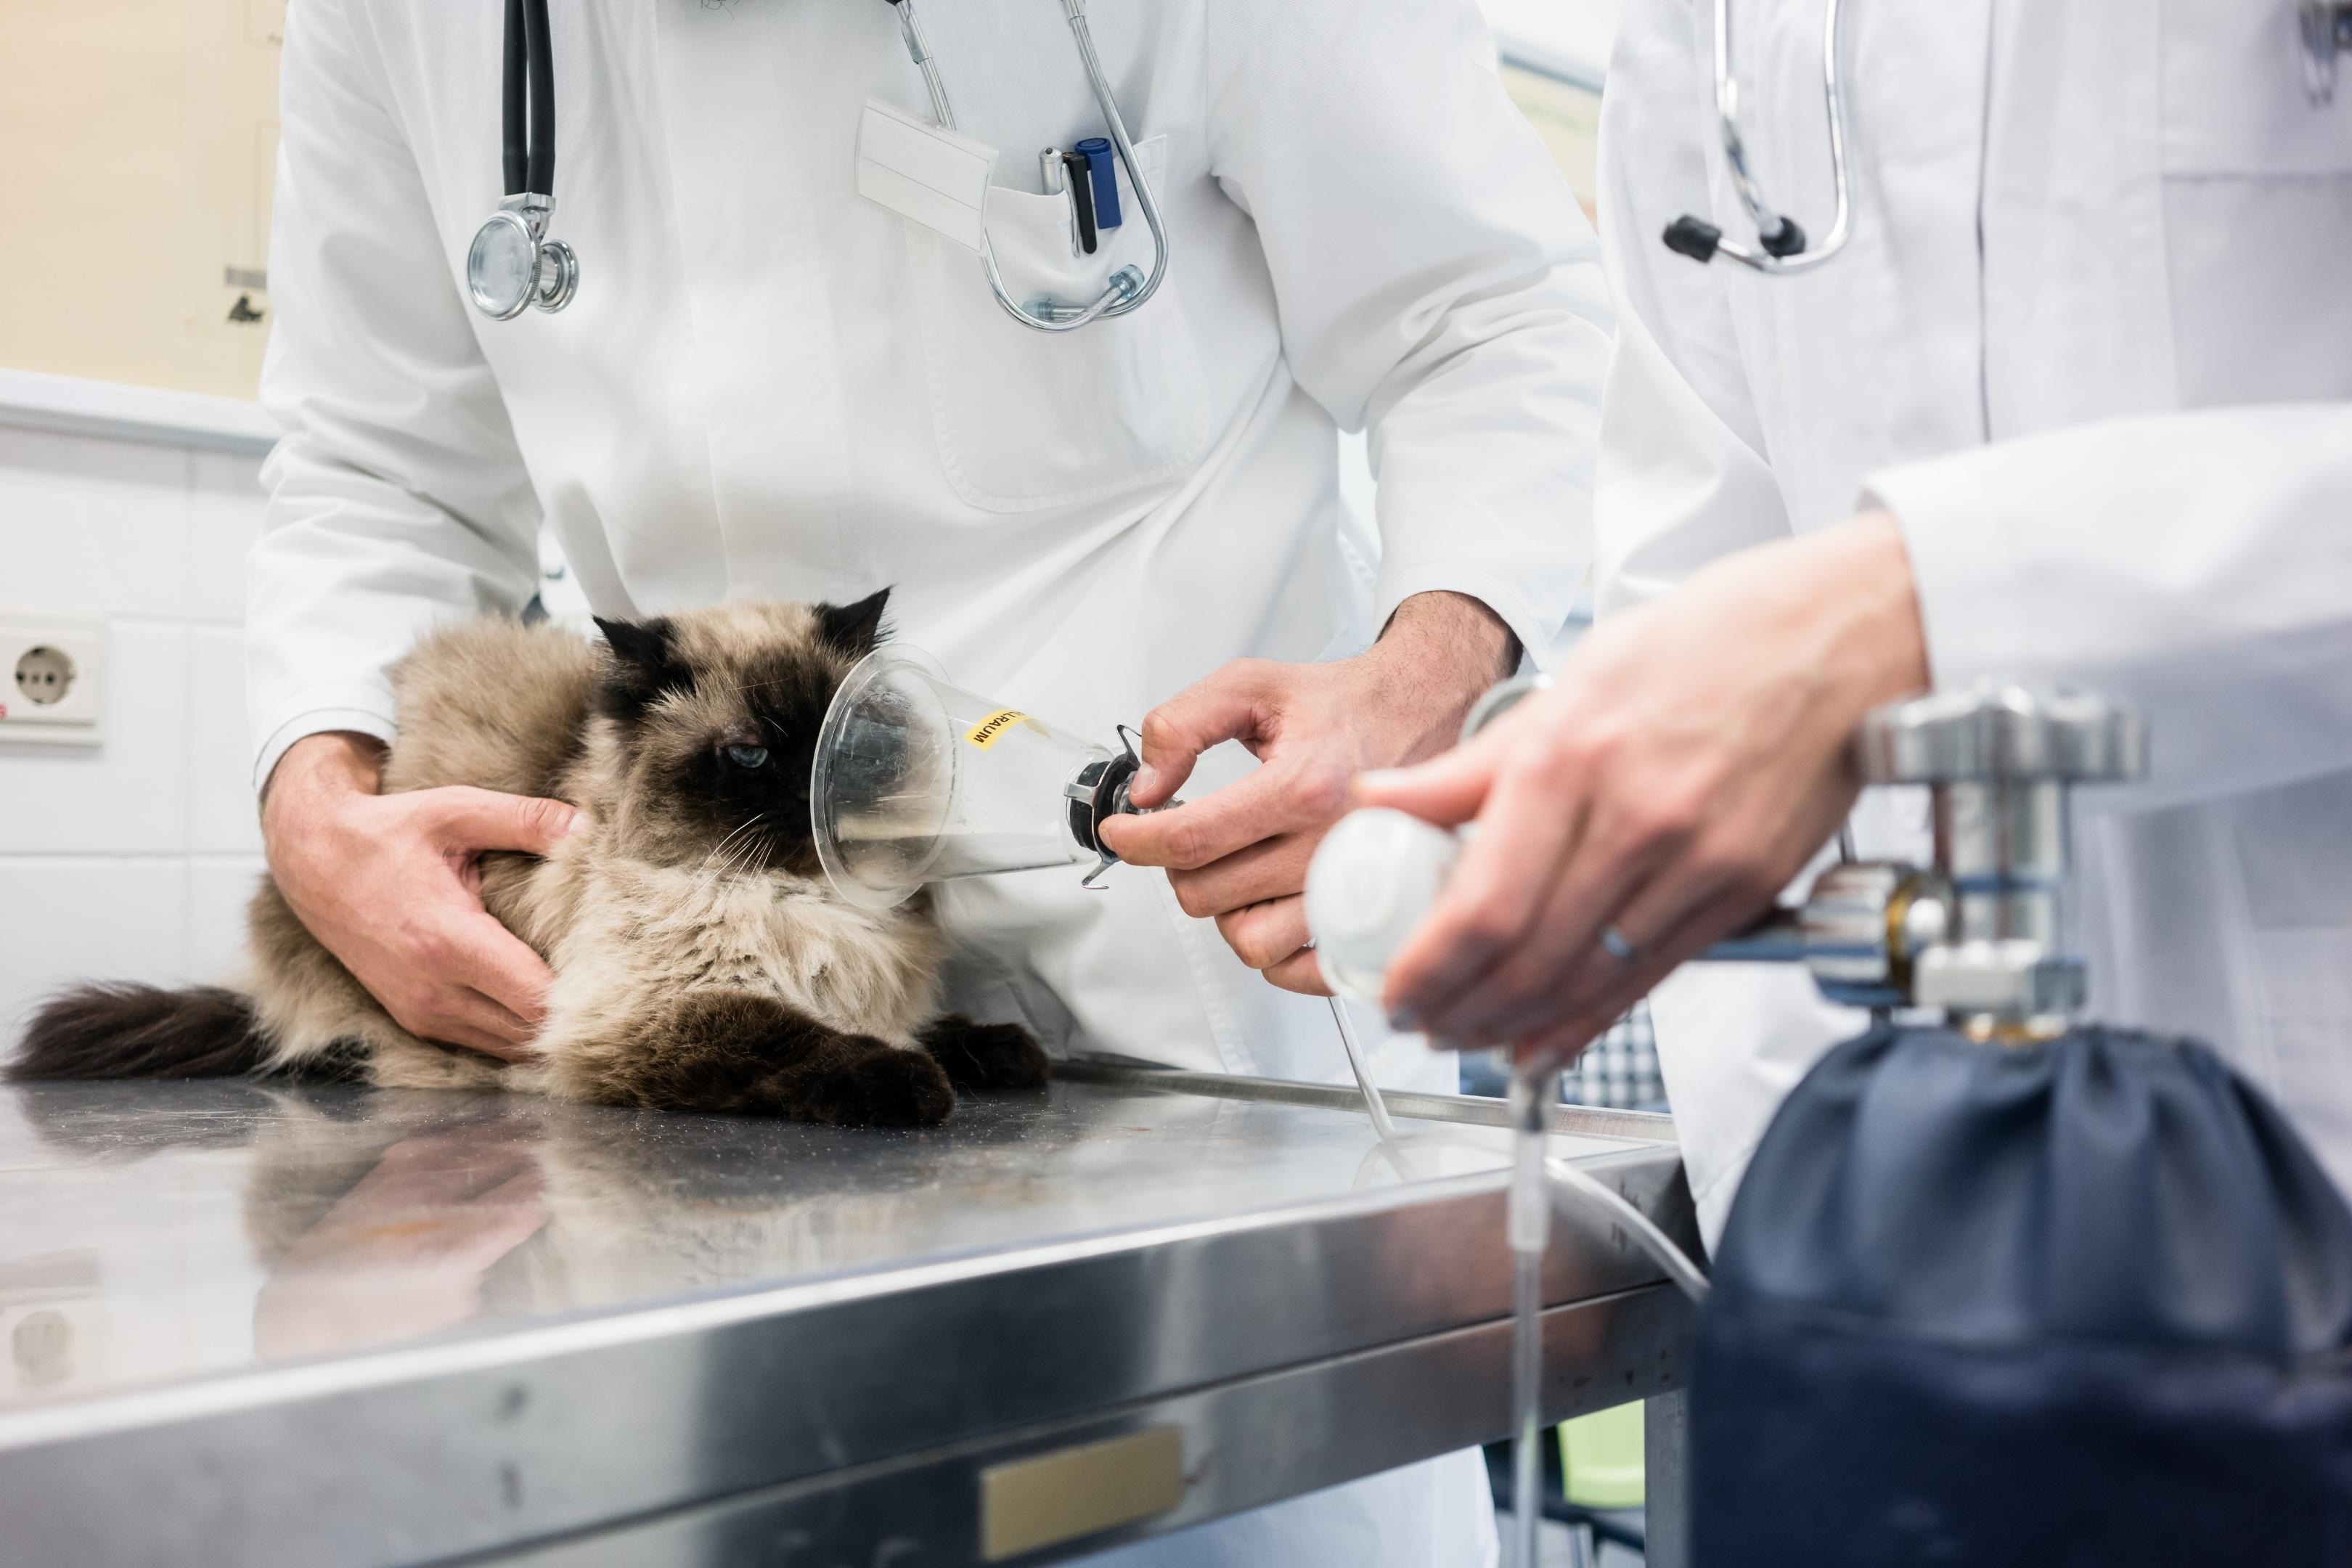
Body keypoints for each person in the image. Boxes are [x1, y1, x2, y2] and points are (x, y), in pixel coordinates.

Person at [248, 1, 1611, 1560]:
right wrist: (321, 802)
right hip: (712, 1033)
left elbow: (1487, 313)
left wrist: (1410, 685)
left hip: (1193, 974)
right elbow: (377, 469)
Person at [1362, 0, 2352, 1247]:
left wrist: (1922, 603)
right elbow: (1700, 540)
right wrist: (1801, 1205)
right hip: (1900, 1227)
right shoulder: (1703, 30)